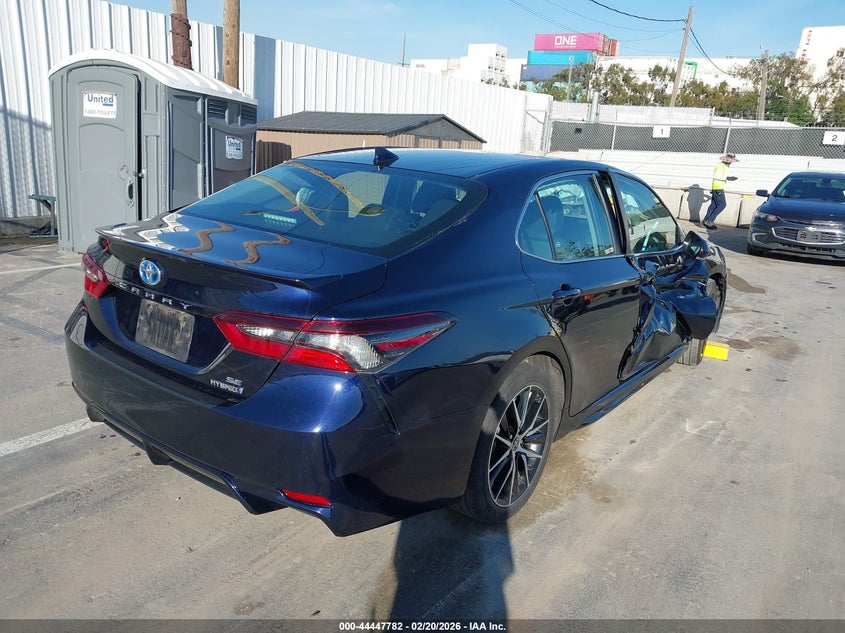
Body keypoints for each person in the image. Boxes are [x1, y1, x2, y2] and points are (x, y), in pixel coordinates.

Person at [702, 153, 739, 229]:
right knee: (722, 205)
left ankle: (706, 220)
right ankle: (710, 221)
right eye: (730, 160)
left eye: (731, 161)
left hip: (716, 187)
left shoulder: (724, 165)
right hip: (718, 187)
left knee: (714, 205)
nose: (730, 162)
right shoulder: (721, 166)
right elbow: (716, 176)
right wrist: (728, 178)